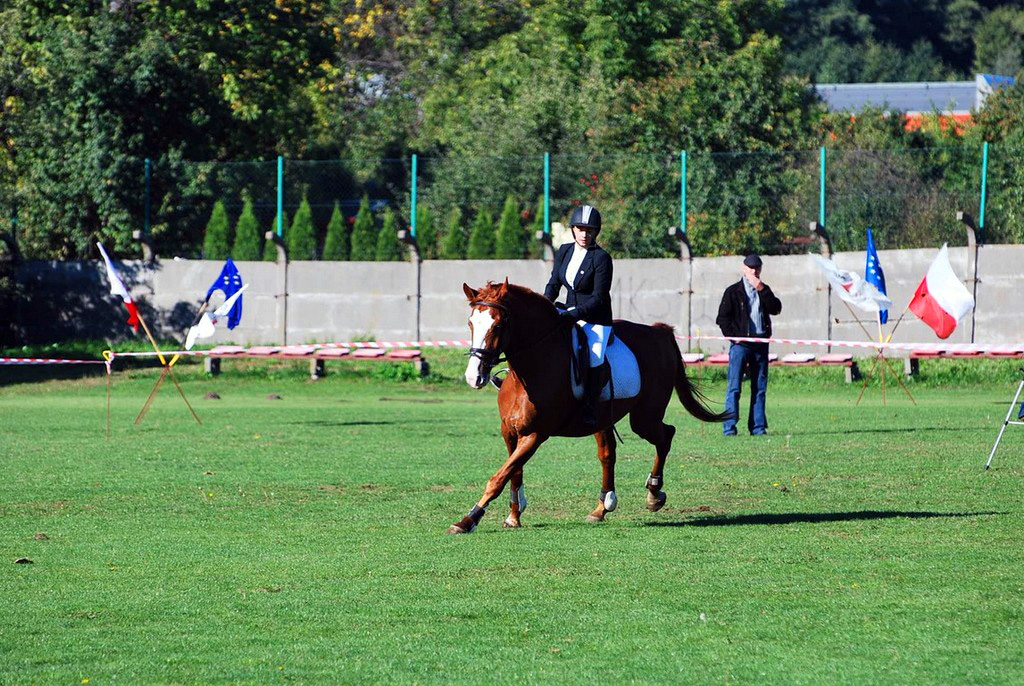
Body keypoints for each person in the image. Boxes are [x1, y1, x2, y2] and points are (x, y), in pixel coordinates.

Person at [544, 204, 613, 427]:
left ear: (596, 232)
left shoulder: (602, 258)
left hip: (595, 319)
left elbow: (599, 298)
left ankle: (590, 406)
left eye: (590, 230)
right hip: (567, 312)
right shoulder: (564, 251)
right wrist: (544, 304)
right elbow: (554, 283)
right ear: (573, 229)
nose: (584, 234)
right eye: (580, 229)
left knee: (595, 356)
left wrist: (574, 313)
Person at [716, 253, 782, 436]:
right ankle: (729, 428)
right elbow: (722, 318)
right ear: (744, 269)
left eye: (757, 268)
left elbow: (776, 308)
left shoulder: (763, 290)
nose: (754, 271)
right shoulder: (733, 291)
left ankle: (758, 427)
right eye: (751, 268)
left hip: (760, 344)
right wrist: (734, 337)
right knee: (734, 388)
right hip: (740, 346)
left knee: (759, 388)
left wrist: (762, 289)